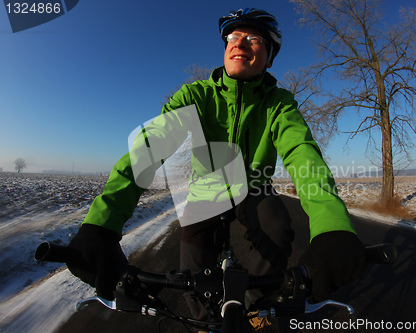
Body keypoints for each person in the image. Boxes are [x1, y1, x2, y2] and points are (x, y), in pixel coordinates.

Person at [67, 7, 366, 324]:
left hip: (254, 186)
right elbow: (149, 146)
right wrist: (101, 224)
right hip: (207, 188)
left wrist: (331, 228)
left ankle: (257, 308)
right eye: (233, 37)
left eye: (253, 38)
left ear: (270, 57)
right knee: (192, 258)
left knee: (276, 226)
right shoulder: (195, 96)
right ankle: (202, 322)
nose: (240, 43)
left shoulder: (279, 102)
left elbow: (302, 153)